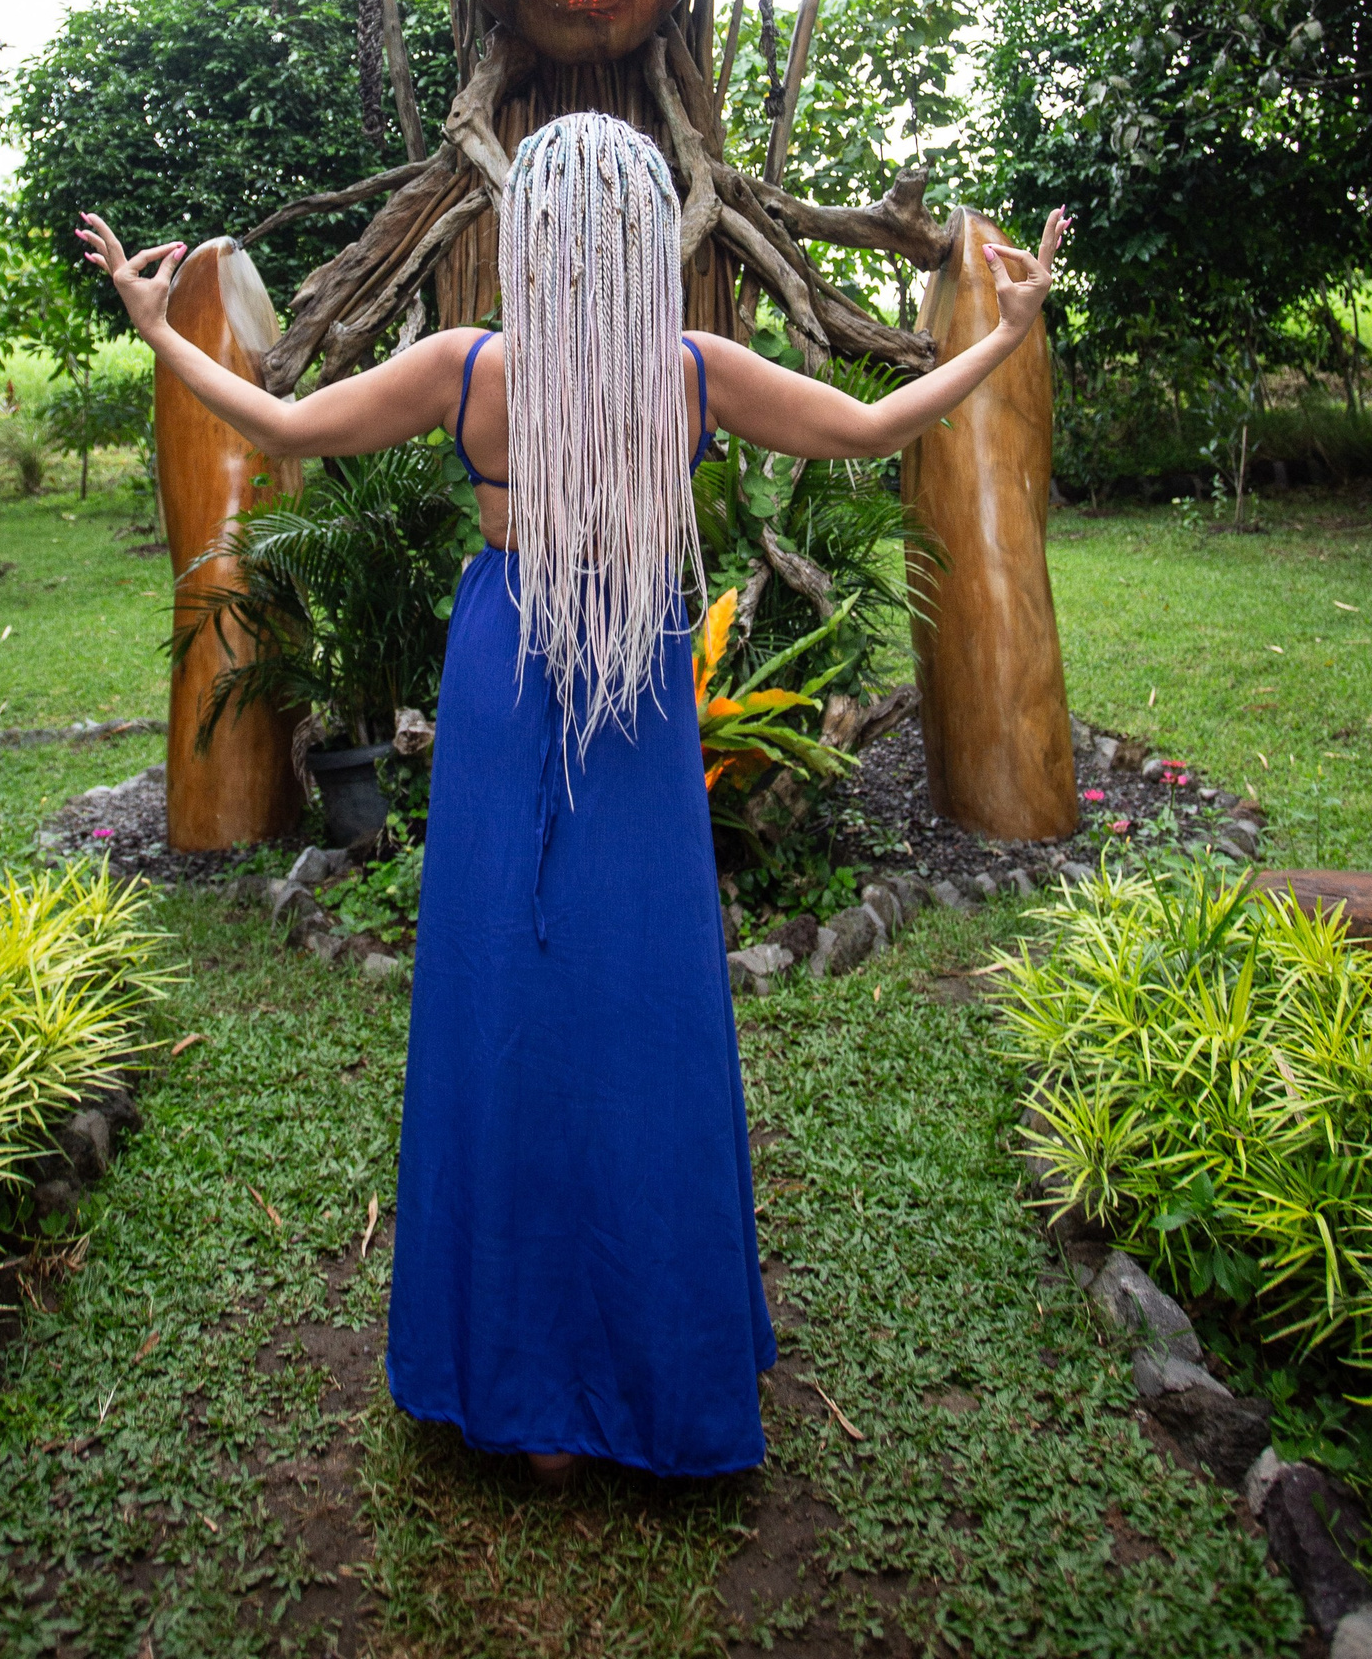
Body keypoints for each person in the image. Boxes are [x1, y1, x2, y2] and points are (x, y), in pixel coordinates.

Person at [79, 115, 1062, 1488]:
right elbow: (878, 424)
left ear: (532, 237)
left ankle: (523, 1382)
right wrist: (1006, 334)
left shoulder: (470, 369)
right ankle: (650, 1369)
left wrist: (156, 332)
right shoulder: (692, 372)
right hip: (635, 680)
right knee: (644, 996)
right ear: (650, 234)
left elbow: (281, 421)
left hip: (510, 669)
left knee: (503, 991)